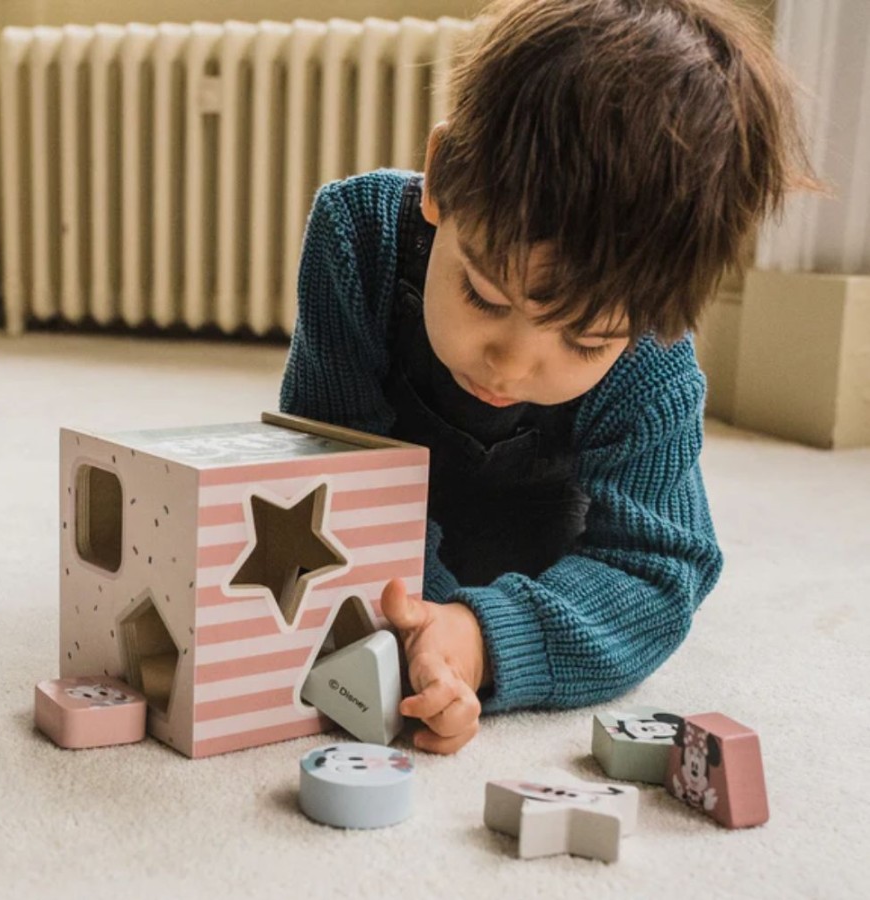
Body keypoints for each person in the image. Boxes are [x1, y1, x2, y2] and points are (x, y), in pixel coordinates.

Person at [280, 0, 818, 754]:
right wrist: (414, 609)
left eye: (588, 341)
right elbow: (330, 468)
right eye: (485, 296)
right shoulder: (357, 238)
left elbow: (659, 572)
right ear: (442, 178)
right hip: (384, 541)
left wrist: (475, 639)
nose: (513, 362)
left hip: (533, 558)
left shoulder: (652, 361)